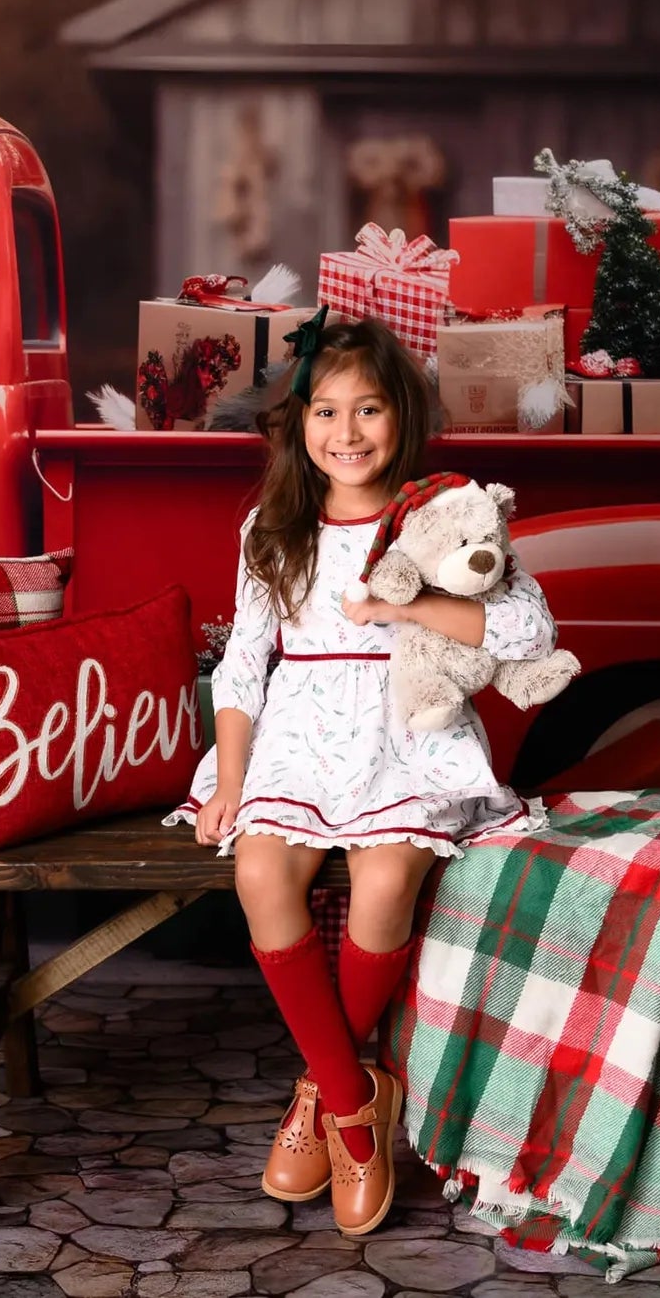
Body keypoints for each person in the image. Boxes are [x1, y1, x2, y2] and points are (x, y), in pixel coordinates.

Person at [164, 312, 562, 1237]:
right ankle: (355, 1098)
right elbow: (243, 664)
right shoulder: (274, 526)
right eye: (327, 412)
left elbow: (526, 635)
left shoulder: (441, 514)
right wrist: (229, 779)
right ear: (298, 425)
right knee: (260, 870)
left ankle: (320, 1096)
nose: (347, 433)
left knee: (385, 881)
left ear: (403, 418)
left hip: (403, 731)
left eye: (369, 410)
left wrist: (413, 600)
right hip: (299, 736)